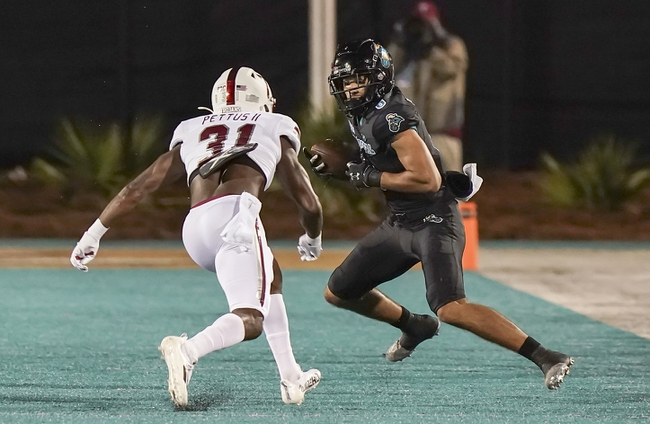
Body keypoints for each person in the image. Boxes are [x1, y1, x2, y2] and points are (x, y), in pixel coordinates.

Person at [305, 39, 573, 390]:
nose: (351, 87)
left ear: (379, 77)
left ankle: (546, 355)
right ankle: (414, 325)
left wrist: (367, 176)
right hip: (400, 221)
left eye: (359, 78)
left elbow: (427, 180)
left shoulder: (390, 116)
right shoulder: (366, 112)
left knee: (450, 307)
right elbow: (386, 156)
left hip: (433, 220)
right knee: (339, 291)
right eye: (346, 81)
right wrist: (354, 163)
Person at [70, 66, 324, 407]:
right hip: (236, 216)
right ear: (263, 100)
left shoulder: (191, 128)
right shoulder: (274, 123)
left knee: (271, 276)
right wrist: (313, 235)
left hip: (195, 229)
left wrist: (93, 233)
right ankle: (189, 350)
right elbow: (306, 199)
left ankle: (291, 377)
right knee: (250, 319)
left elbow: (138, 187)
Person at [388, 0, 468, 172]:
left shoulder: (452, 46)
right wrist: (401, 42)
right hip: (413, 135)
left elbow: (451, 69)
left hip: (444, 134)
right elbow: (387, 71)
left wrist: (433, 46)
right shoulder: (410, 50)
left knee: (449, 192)